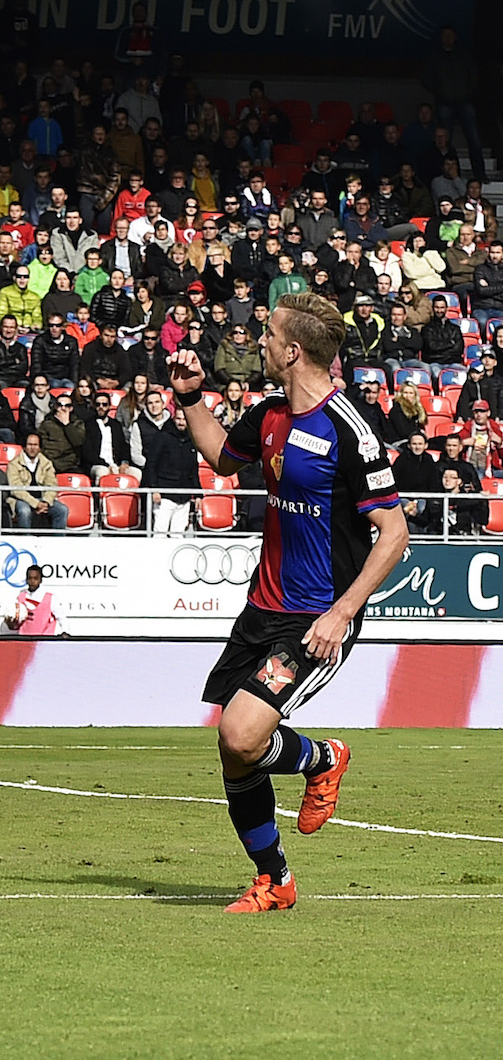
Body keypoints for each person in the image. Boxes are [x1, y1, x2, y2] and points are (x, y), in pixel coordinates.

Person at [167, 291, 406, 912]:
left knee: (243, 733)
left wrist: (341, 613)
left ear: (293, 350)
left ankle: (321, 761)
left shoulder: (349, 428)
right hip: (262, 610)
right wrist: (191, 397)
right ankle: (275, 875)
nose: (261, 343)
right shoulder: (270, 414)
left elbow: (395, 534)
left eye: (269, 335)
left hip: (316, 619)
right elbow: (223, 457)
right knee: (232, 743)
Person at [3, 565, 68, 636]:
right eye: (30, 578)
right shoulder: (21, 596)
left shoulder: (50, 598)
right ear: (26, 580)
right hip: (24, 639)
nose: (32, 581)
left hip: (44, 641)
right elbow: (16, 620)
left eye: (35, 578)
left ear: (40, 580)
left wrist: (65, 632)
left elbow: (61, 617)